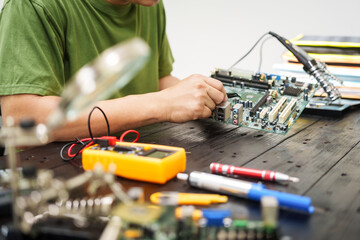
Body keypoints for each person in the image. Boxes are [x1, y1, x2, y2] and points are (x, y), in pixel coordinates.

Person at [0, 0, 227, 141]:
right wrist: (162, 104)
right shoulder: (31, 5)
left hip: (137, 156)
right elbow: (23, 117)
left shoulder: (149, 4)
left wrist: (197, 95)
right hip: (61, 177)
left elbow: (156, 79)